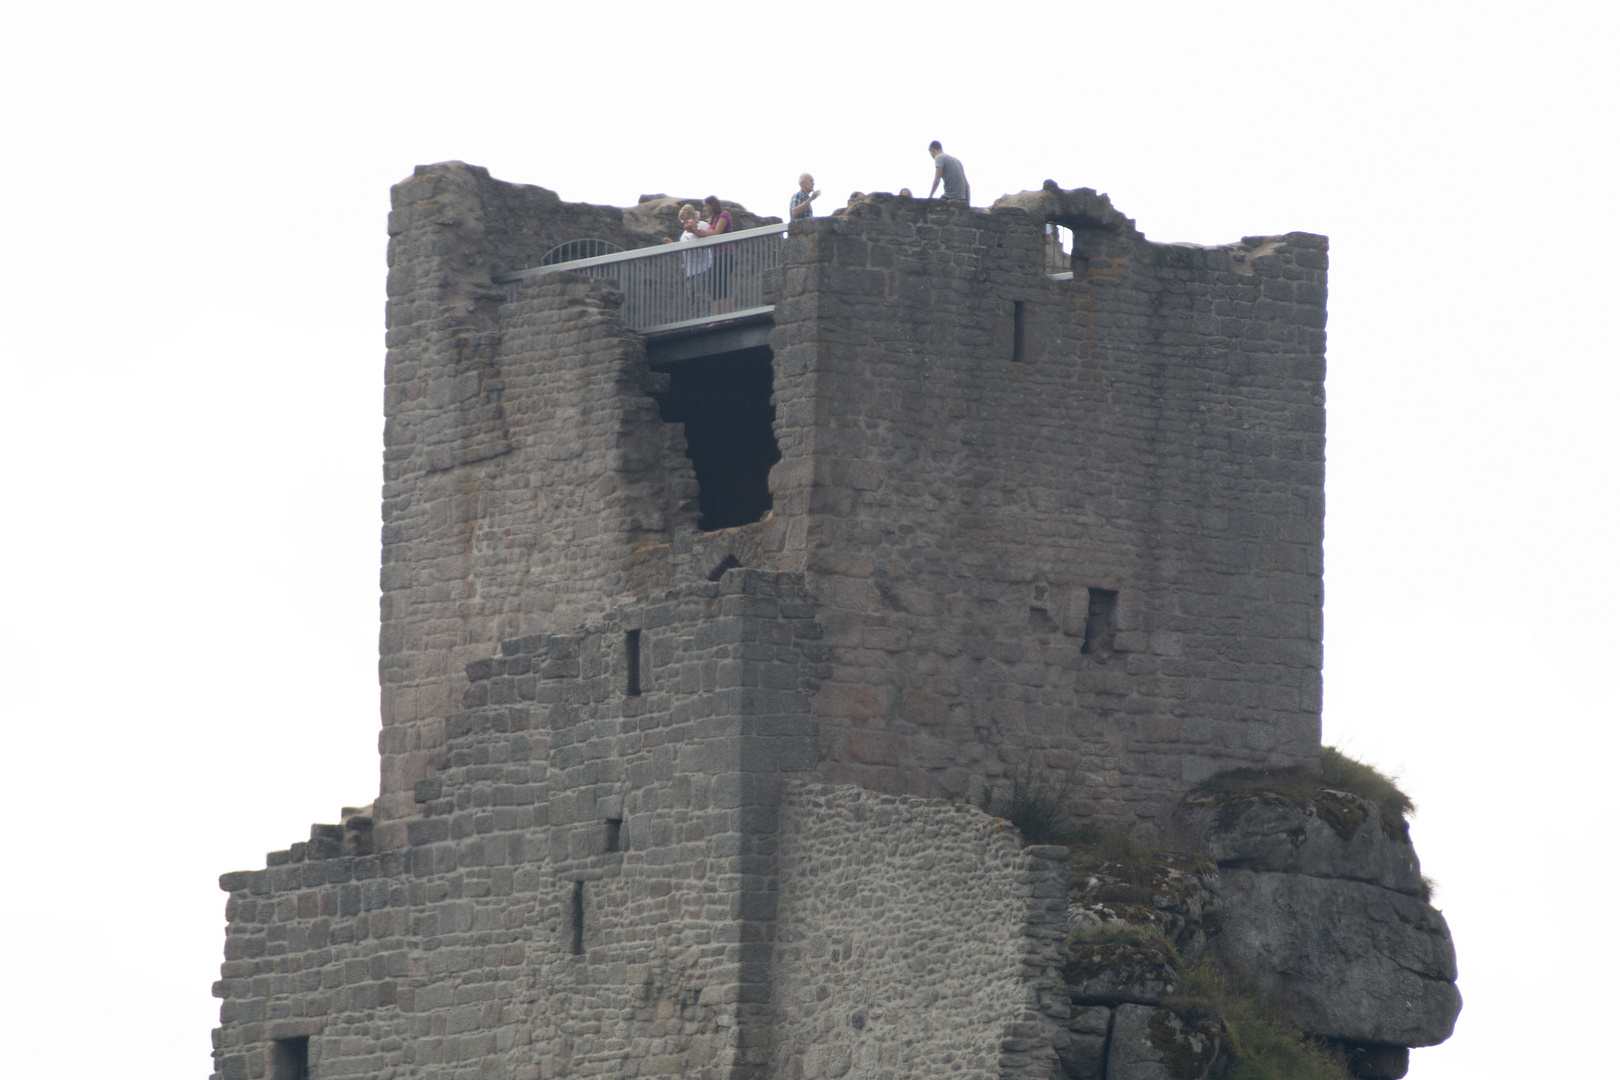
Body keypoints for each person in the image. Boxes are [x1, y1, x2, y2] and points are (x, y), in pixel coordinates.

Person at [661, 203, 711, 318]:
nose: (684, 223)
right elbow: (683, 248)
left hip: (702, 267)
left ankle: (704, 317)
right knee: (692, 296)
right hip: (690, 270)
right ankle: (695, 319)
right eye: (682, 221)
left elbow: (706, 238)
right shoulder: (684, 233)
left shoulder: (702, 225)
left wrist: (695, 229)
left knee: (702, 295)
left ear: (692, 216)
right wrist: (672, 245)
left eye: (685, 220)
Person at [691, 196, 734, 313]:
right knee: (715, 286)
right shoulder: (713, 220)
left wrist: (697, 231)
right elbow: (705, 235)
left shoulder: (724, 215)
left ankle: (725, 315)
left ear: (712, 205)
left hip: (725, 255)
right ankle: (718, 316)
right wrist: (694, 231)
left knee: (721, 286)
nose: (704, 209)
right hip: (716, 257)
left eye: (706, 205)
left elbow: (716, 232)